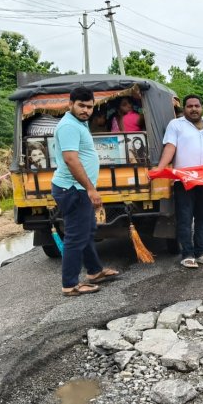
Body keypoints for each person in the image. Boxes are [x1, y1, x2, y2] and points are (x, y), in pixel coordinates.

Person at [50, 87, 120, 296]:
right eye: (81, 106)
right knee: (75, 236)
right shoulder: (69, 126)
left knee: (87, 231)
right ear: (70, 104)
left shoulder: (78, 123)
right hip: (74, 189)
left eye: (89, 107)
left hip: (77, 188)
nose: (86, 110)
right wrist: (90, 189)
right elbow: (71, 159)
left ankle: (94, 271)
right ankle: (69, 285)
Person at [152, 94, 203, 268]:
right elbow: (170, 147)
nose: (193, 109)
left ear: (202, 107)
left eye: (197, 106)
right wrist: (160, 167)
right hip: (183, 181)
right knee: (184, 217)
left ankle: (201, 252)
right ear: (184, 108)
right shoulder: (176, 125)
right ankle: (187, 254)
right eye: (189, 106)